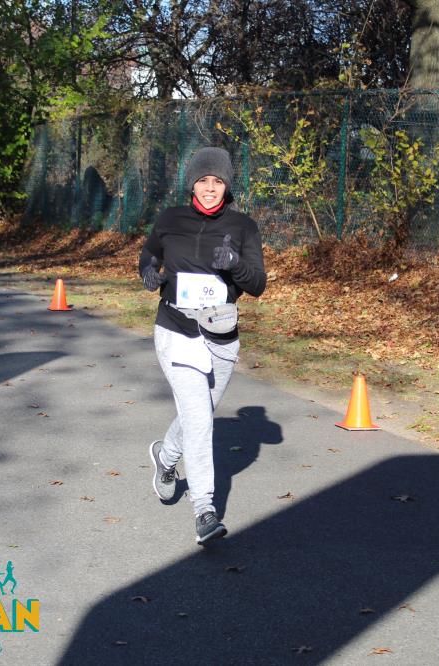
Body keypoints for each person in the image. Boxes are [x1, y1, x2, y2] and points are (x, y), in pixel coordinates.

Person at [139, 147, 267, 545]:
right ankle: (205, 511)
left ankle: (166, 457)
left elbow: (258, 285)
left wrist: (234, 264)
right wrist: (148, 272)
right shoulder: (171, 219)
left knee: (200, 413)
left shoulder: (243, 226)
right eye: (203, 180)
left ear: (227, 186)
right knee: (198, 417)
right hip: (175, 329)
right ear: (191, 184)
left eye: (217, 181)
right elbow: (149, 254)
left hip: (221, 334)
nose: (210, 188)